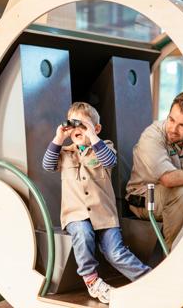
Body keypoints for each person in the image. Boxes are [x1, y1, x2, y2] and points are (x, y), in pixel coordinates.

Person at [42, 102, 150, 304]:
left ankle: (148, 280)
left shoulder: (104, 147)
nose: (78, 129)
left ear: (96, 128)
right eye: (74, 125)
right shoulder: (65, 153)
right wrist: (59, 137)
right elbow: (47, 165)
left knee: (116, 253)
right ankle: (92, 281)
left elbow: (109, 162)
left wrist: (92, 136)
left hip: (104, 215)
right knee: (82, 233)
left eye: (83, 125)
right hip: (76, 215)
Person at [126, 91, 183, 249]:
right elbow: (169, 179)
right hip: (142, 197)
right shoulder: (152, 135)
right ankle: (174, 256)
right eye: (171, 119)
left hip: (178, 194)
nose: (173, 129)